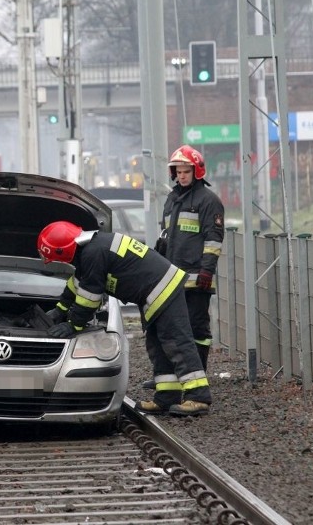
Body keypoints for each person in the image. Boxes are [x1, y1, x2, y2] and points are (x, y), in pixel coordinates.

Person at [37, 221, 212, 416]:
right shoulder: (92, 248)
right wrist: (59, 309)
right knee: (158, 344)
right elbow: (77, 283)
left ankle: (198, 397)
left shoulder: (93, 254)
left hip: (162, 288)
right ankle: (166, 397)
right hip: (157, 289)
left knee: (177, 341)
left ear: (63, 251)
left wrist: (73, 325)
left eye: (55, 258)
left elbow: (90, 298)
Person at [144, 145, 224, 390]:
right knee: (171, 329)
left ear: (196, 171)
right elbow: (166, 235)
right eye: (178, 171)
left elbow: (213, 240)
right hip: (173, 279)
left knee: (197, 329)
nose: (181, 175)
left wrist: (206, 271)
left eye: (186, 171)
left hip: (198, 280)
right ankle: (173, 376)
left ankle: (198, 374)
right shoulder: (172, 199)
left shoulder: (209, 201)